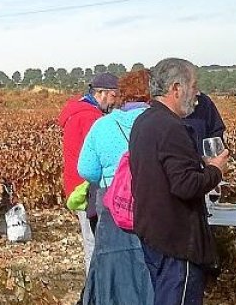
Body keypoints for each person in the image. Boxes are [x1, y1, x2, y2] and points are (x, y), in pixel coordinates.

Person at [130, 58, 228, 305]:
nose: (197, 93)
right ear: (176, 88)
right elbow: (185, 185)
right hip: (176, 240)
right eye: (193, 86)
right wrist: (216, 170)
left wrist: (198, 163)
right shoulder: (172, 127)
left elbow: (164, 172)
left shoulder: (144, 121)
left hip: (154, 232)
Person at [77, 69, 153, 305]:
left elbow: (86, 169)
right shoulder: (162, 122)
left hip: (113, 203)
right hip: (154, 203)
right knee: (149, 267)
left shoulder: (103, 125)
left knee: (115, 267)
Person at [58, 72, 120, 269]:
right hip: (87, 189)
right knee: (95, 244)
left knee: (91, 241)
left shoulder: (77, 112)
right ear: (101, 93)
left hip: (76, 185)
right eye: (113, 96)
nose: (115, 101)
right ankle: (95, 291)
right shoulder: (90, 118)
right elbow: (100, 157)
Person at [182, 90, 226, 156]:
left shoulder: (204, 102)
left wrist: (213, 156)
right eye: (193, 86)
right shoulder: (163, 112)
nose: (197, 92)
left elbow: (216, 131)